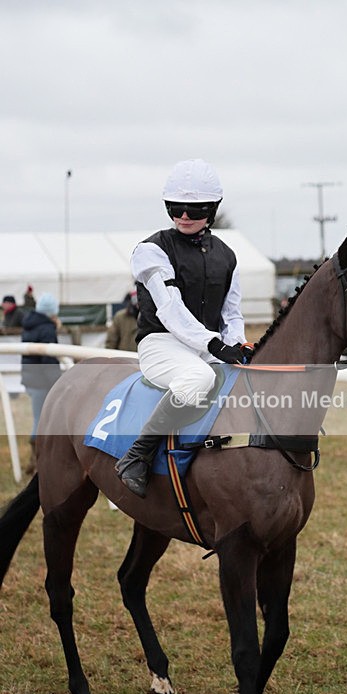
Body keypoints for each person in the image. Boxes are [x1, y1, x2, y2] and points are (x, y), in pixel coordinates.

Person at [115, 158, 252, 498]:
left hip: (204, 346)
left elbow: (231, 313)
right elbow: (170, 309)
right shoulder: (150, 250)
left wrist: (236, 343)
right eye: (176, 208)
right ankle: (137, 455)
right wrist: (216, 345)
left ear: (213, 210)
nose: (184, 217)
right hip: (161, 344)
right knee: (200, 379)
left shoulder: (228, 256)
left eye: (195, 209)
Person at [21, 293, 62, 474]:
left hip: (31, 378)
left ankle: (35, 460)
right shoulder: (46, 328)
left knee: (39, 418)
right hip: (42, 380)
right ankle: (38, 461)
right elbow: (49, 359)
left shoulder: (29, 324)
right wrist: (59, 382)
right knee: (42, 420)